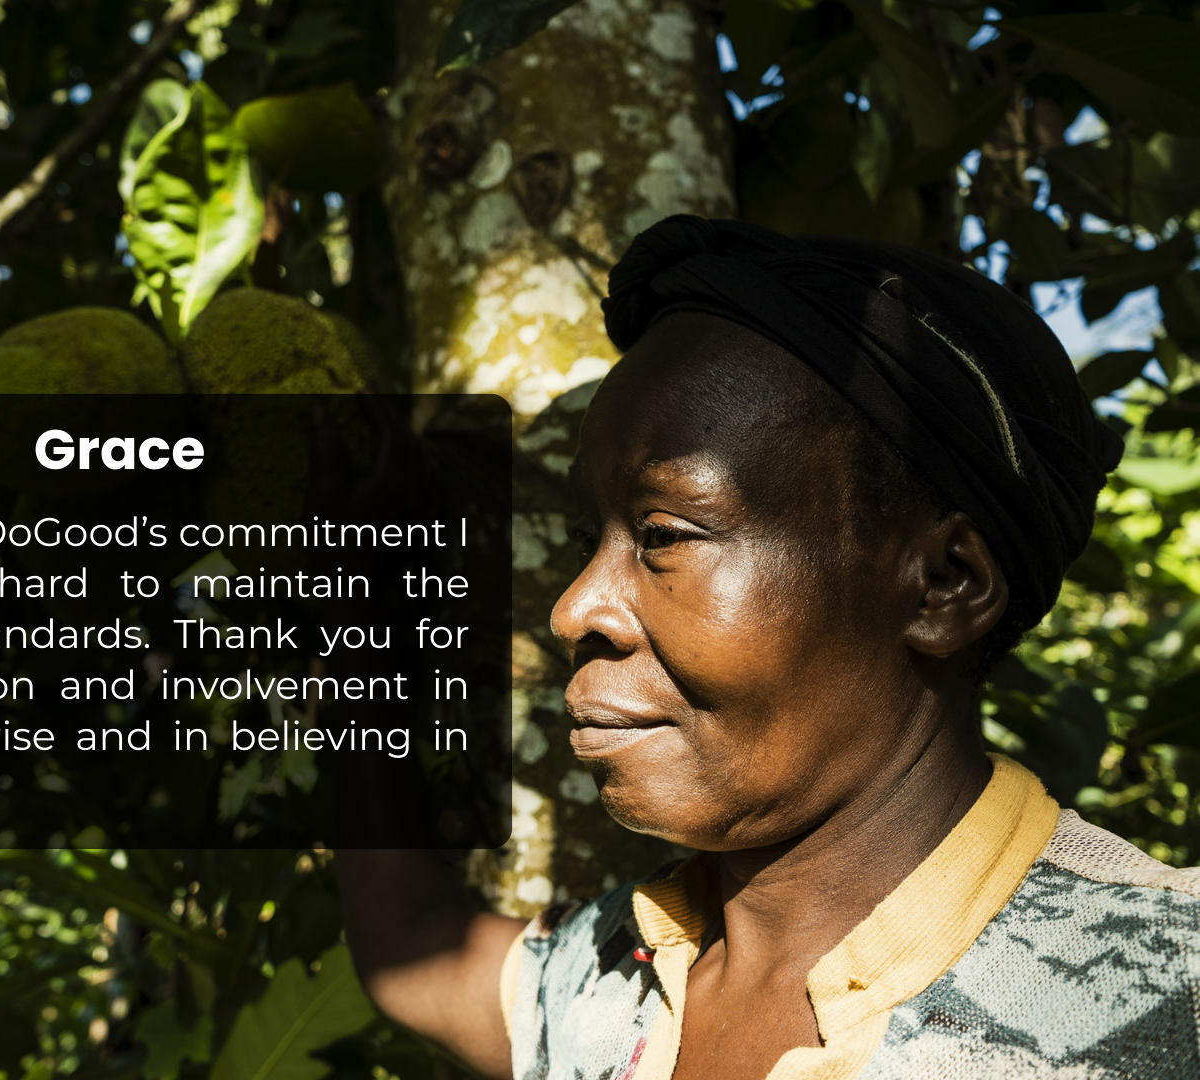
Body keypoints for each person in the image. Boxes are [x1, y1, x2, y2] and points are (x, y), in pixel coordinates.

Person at [338, 216, 1200, 1080]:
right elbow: (414, 943)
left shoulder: (1173, 992)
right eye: (583, 540)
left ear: (944, 585)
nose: (573, 610)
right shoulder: (610, 985)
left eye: (665, 535)